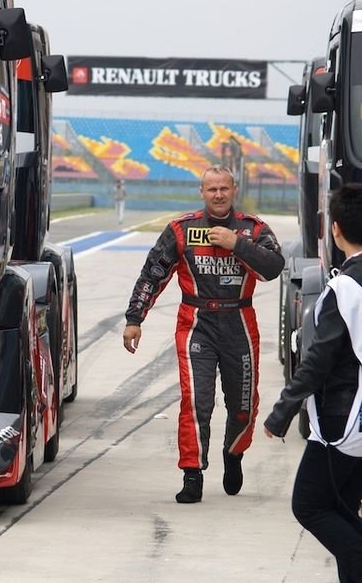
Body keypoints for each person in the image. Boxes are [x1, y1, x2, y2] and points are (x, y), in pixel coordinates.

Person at [122, 164, 284, 503]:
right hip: (195, 322)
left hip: (239, 320)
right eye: (212, 189)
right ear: (202, 192)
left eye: (224, 188)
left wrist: (236, 244)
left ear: (234, 190)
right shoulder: (182, 229)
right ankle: (192, 474)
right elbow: (152, 274)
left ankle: (234, 453)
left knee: (243, 405)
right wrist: (134, 318)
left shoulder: (253, 229)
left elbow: (274, 267)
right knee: (196, 401)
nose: (219, 194)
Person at [263, 183, 362, 583]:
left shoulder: (345, 287)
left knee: (310, 505)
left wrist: (282, 411)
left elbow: (318, 360)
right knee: (341, 509)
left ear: (334, 230)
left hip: (344, 419)